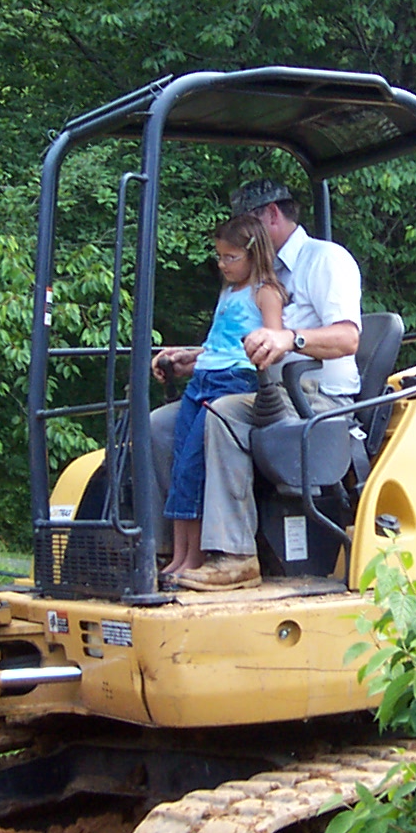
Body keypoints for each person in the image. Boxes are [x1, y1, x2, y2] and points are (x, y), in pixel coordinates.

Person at [150, 178, 363, 591]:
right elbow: (240, 342)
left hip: (314, 398)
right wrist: (194, 359)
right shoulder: (252, 277)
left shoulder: (325, 260)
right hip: (257, 387)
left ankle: (234, 556)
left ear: (271, 215)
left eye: (247, 224)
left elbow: (348, 338)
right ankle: (169, 552)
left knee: (223, 412)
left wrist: (291, 338)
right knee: (161, 425)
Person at [160, 214, 286, 577]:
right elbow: (217, 343)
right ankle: (179, 554)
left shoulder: (266, 292)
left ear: (253, 253)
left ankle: (196, 558)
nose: (223, 265)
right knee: (180, 463)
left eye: (231, 257)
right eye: (220, 257)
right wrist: (187, 357)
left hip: (234, 380)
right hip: (202, 377)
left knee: (194, 467)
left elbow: (273, 342)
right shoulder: (228, 292)